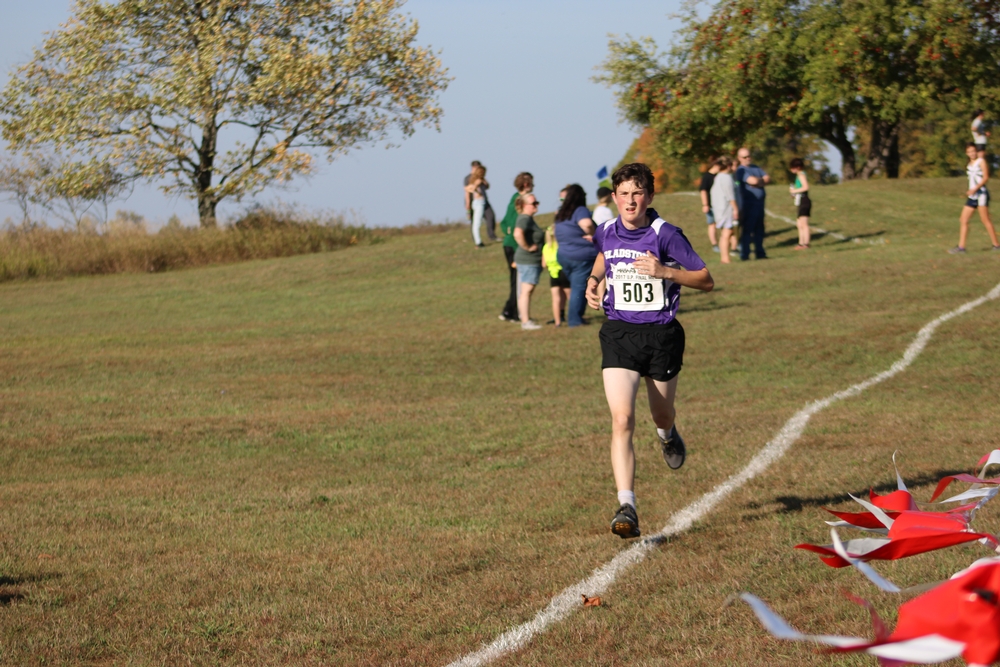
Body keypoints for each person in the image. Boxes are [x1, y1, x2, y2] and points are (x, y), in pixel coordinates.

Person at [585, 163, 714, 539]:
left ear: (649, 197)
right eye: (623, 193)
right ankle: (627, 504)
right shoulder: (606, 230)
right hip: (619, 333)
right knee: (622, 419)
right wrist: (596, 281)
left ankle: (668, 433)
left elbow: (705, 280)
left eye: (637, 193)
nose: (630, 200)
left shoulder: (667, 235)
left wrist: (665, 272)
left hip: (661, 336)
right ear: (614, 198)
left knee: (660, 414)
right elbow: (603, 256)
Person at [554, 184, 597, 327]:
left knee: (575, 287)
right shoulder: (580, 210)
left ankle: (576, 315)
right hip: (581, 256)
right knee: (579, 288)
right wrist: (593, 234)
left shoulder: (561, 213)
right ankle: (574, 321)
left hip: (563, 255)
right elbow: (587, 224)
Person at [949, 143, 1000, 254]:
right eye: (969, 152)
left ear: (976, 151)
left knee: (985, 220)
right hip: (972, 196)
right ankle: (961, 247)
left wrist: (975, 189)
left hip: (981, 195)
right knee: (963, 219)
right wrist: (971, 191)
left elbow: (986, 177)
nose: (972, 153)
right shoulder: (969, 164)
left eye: (973, 151)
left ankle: (996, 245)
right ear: (966, 153)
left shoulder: (981, 162)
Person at [498, 172, 533, 321]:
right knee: (518, 281)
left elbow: (504, 222)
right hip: (513, 245)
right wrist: (513, 234)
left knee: (515, 280)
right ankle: (512, 312)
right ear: (526, 184)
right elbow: (508, 222)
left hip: (510, 244)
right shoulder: (518, 200)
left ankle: (509, 311)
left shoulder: (514, 198)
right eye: (532, 183)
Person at [513, 194, 546, 330]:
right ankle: (525, 322)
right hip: (528, 261)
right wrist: (527, 247)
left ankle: (526, 319)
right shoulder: (524, 218)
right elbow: (517, 233)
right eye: (534, 203)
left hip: (530, 261)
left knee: (526, 291)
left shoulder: (528, 219)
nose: (536, 205)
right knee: (526, 291)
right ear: (524, 206)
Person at [734, 147, 770, 260]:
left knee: (760, 229)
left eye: (749, 156)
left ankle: (760, 253)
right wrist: (760, 181)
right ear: (739, 158)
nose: (748, 158)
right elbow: (752, 181)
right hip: (748, 204)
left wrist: (758, 182)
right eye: (745, 157)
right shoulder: (741, 170)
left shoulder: (755, 167)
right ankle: (745, 254)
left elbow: (767, 178)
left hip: (759, 204)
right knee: (748, 230)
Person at [709, 156, 738, 265]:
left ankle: (724, 257)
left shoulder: (718, 177)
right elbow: (730, 196)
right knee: (727, 232)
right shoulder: (726, 177)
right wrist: (736, 209)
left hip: (719, 209)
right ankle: (725, 258)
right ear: (729, 166)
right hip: (726, 210)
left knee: (725, 233)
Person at [542, 226, 570, 326]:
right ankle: (573, 318)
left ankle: (557, 321)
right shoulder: (561, 246)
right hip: (563, 272)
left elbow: (543, 264)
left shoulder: (546, 247)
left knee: (556, 299)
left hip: (553, 274)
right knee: (569, 296)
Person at [788, 158, 812, 249]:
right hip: (800, 200)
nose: (791, 170)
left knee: (804, 224)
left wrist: (794, 190)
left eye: (793, 168)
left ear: (798, 167)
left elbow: (806, 187)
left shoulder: (801, 175)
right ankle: (801, 243)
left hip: (804, 200)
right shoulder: (798, 176)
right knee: (799, 224)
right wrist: (794, 193)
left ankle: (806, 243)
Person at [464, 163, 489, 247]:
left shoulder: (477, 180)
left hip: (478, 202)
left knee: (477, 223)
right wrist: (475, 189)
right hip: (479, 203)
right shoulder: (478, 181)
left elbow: (487, 186)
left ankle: (478, 241)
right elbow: (471, 188)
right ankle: (478, 242)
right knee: (477, 223)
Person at [699, 160, 720, 252]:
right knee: (712, 224)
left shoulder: (719, 175)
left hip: (720, 205)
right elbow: (703, 190)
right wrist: (705, 204)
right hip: (711, 205)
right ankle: (714, 244)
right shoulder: (707, 176)